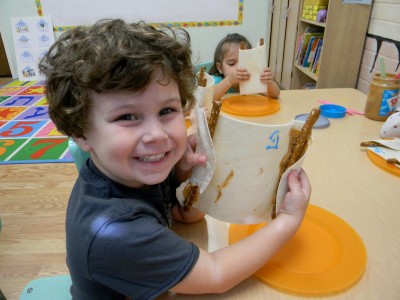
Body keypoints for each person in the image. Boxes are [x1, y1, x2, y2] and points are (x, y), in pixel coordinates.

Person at [39, 19, 311, 299]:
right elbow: (215, 274)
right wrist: (287, 221)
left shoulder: (133, 169)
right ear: (82, 132)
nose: (157, 135)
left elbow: (186, 215)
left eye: (167, 110)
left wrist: (187, 175)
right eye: (127, 117)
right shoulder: (114, 231)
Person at [209, 33, 281, 100]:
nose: (239, 67)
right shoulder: (217, 81)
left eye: (245, 62)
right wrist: (230, 80)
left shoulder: (253, 80)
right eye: (231, 64)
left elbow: (275, 95)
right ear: (220, 68)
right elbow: (209, 97)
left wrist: (269, 83)